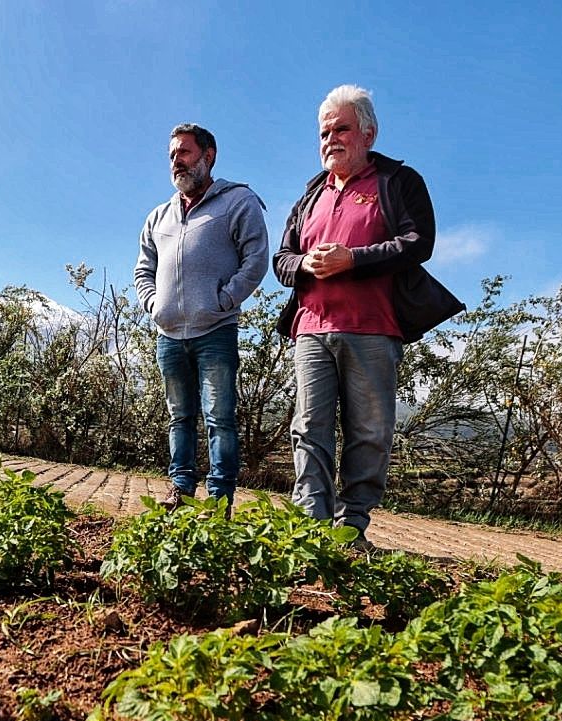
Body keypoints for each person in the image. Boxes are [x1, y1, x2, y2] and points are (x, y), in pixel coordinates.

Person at [273, 85, 463, 547]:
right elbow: (282, 259)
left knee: (370, 433)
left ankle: (351, 526)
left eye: (342, 129)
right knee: (309, 428)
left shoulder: (398, 181)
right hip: (311, 328)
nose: (330, 139)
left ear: (369, 134)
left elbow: (419, 242)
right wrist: (305, 264)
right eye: (324, 132)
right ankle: (310, 528)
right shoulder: (310, 195)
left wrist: (352, 260)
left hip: (374, 327)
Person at [135, 123, 269, 508]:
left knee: (219, 418)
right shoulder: (158, 216)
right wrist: (153, 305)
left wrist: (224, 301)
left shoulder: (237, 201)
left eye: (185, 153)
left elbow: (256, 258)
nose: (176, 161)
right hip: (170, 334)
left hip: (215, 331)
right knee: (179, 417)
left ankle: (218, 501)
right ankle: (179, 490)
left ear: (208, 156)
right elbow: (143, 269)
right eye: (172, 155)